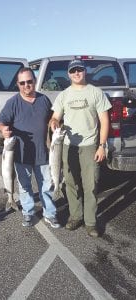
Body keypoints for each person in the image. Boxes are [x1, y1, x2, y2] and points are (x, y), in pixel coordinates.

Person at [50, 59, 112, 238]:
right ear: (68, 74)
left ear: (85, 71)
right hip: (68, 147)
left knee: (91, 185)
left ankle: (91, 222)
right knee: (70, 183)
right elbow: (55, 117)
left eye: (79, 69)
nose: (76, 73)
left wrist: (102, 146)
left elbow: (104, 121)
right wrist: (54, 123)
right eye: (73, 70)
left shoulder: (96, 92)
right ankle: (75, 216)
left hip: (90, 146)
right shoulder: (64, 95)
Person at [0, 67, 60, 228]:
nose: (26, 85)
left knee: (46, 187)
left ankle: (50, 214)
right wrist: (3, 129)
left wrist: (54, 123)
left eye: (29, 81)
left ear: (34, 81)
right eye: (22, 82)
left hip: (43, 153)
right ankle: (28, 213)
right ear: (18, 84)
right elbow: (0, 121)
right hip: (20, 155)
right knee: (24, 188)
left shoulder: (44, 100)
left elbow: (52, 118)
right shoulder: (13, 102)